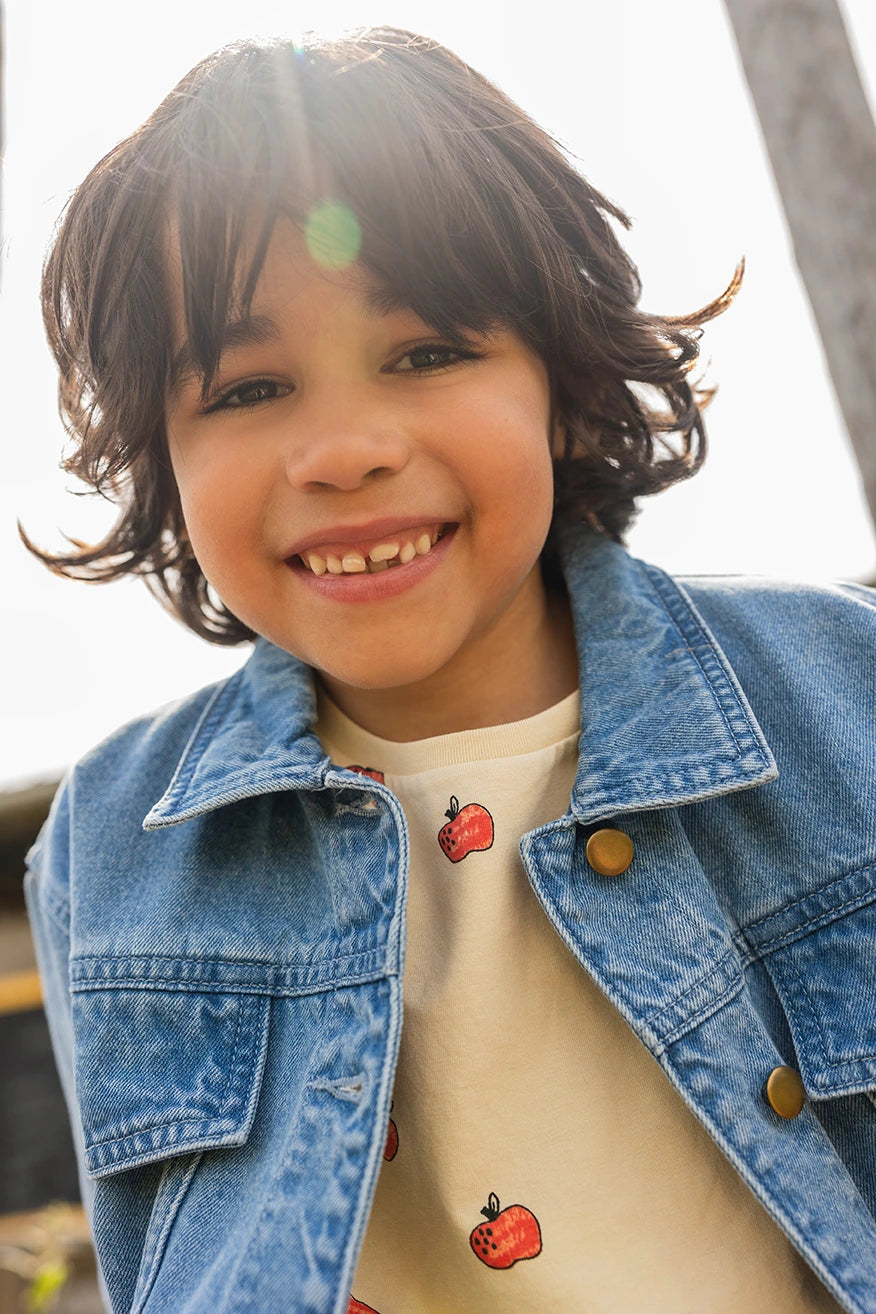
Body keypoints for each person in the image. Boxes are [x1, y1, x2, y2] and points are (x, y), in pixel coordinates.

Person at [23, 27, 876, 1314]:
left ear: (562, 383)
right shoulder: (109, 852)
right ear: (165, 459)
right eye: (249, 387)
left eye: (426, 354)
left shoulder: (842, 691)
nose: (344, 450)